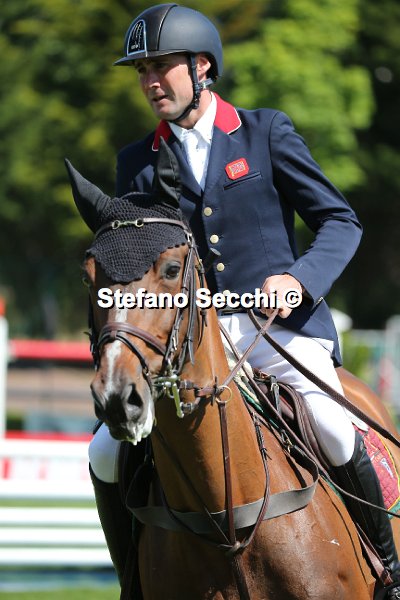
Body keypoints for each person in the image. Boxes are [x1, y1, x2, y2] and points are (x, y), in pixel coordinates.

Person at [88, 4, 400, 597]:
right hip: (188, 343)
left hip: (275, 328)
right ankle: (133, 580)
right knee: (105, 452)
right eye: (143, 71)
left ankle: (390, 570)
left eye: (161, 67)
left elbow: (340, 221)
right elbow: (137, 261)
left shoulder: (265, 133)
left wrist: (299, 280)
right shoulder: (137, 163)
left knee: (334, 428)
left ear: (202, 66)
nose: (150, 82)